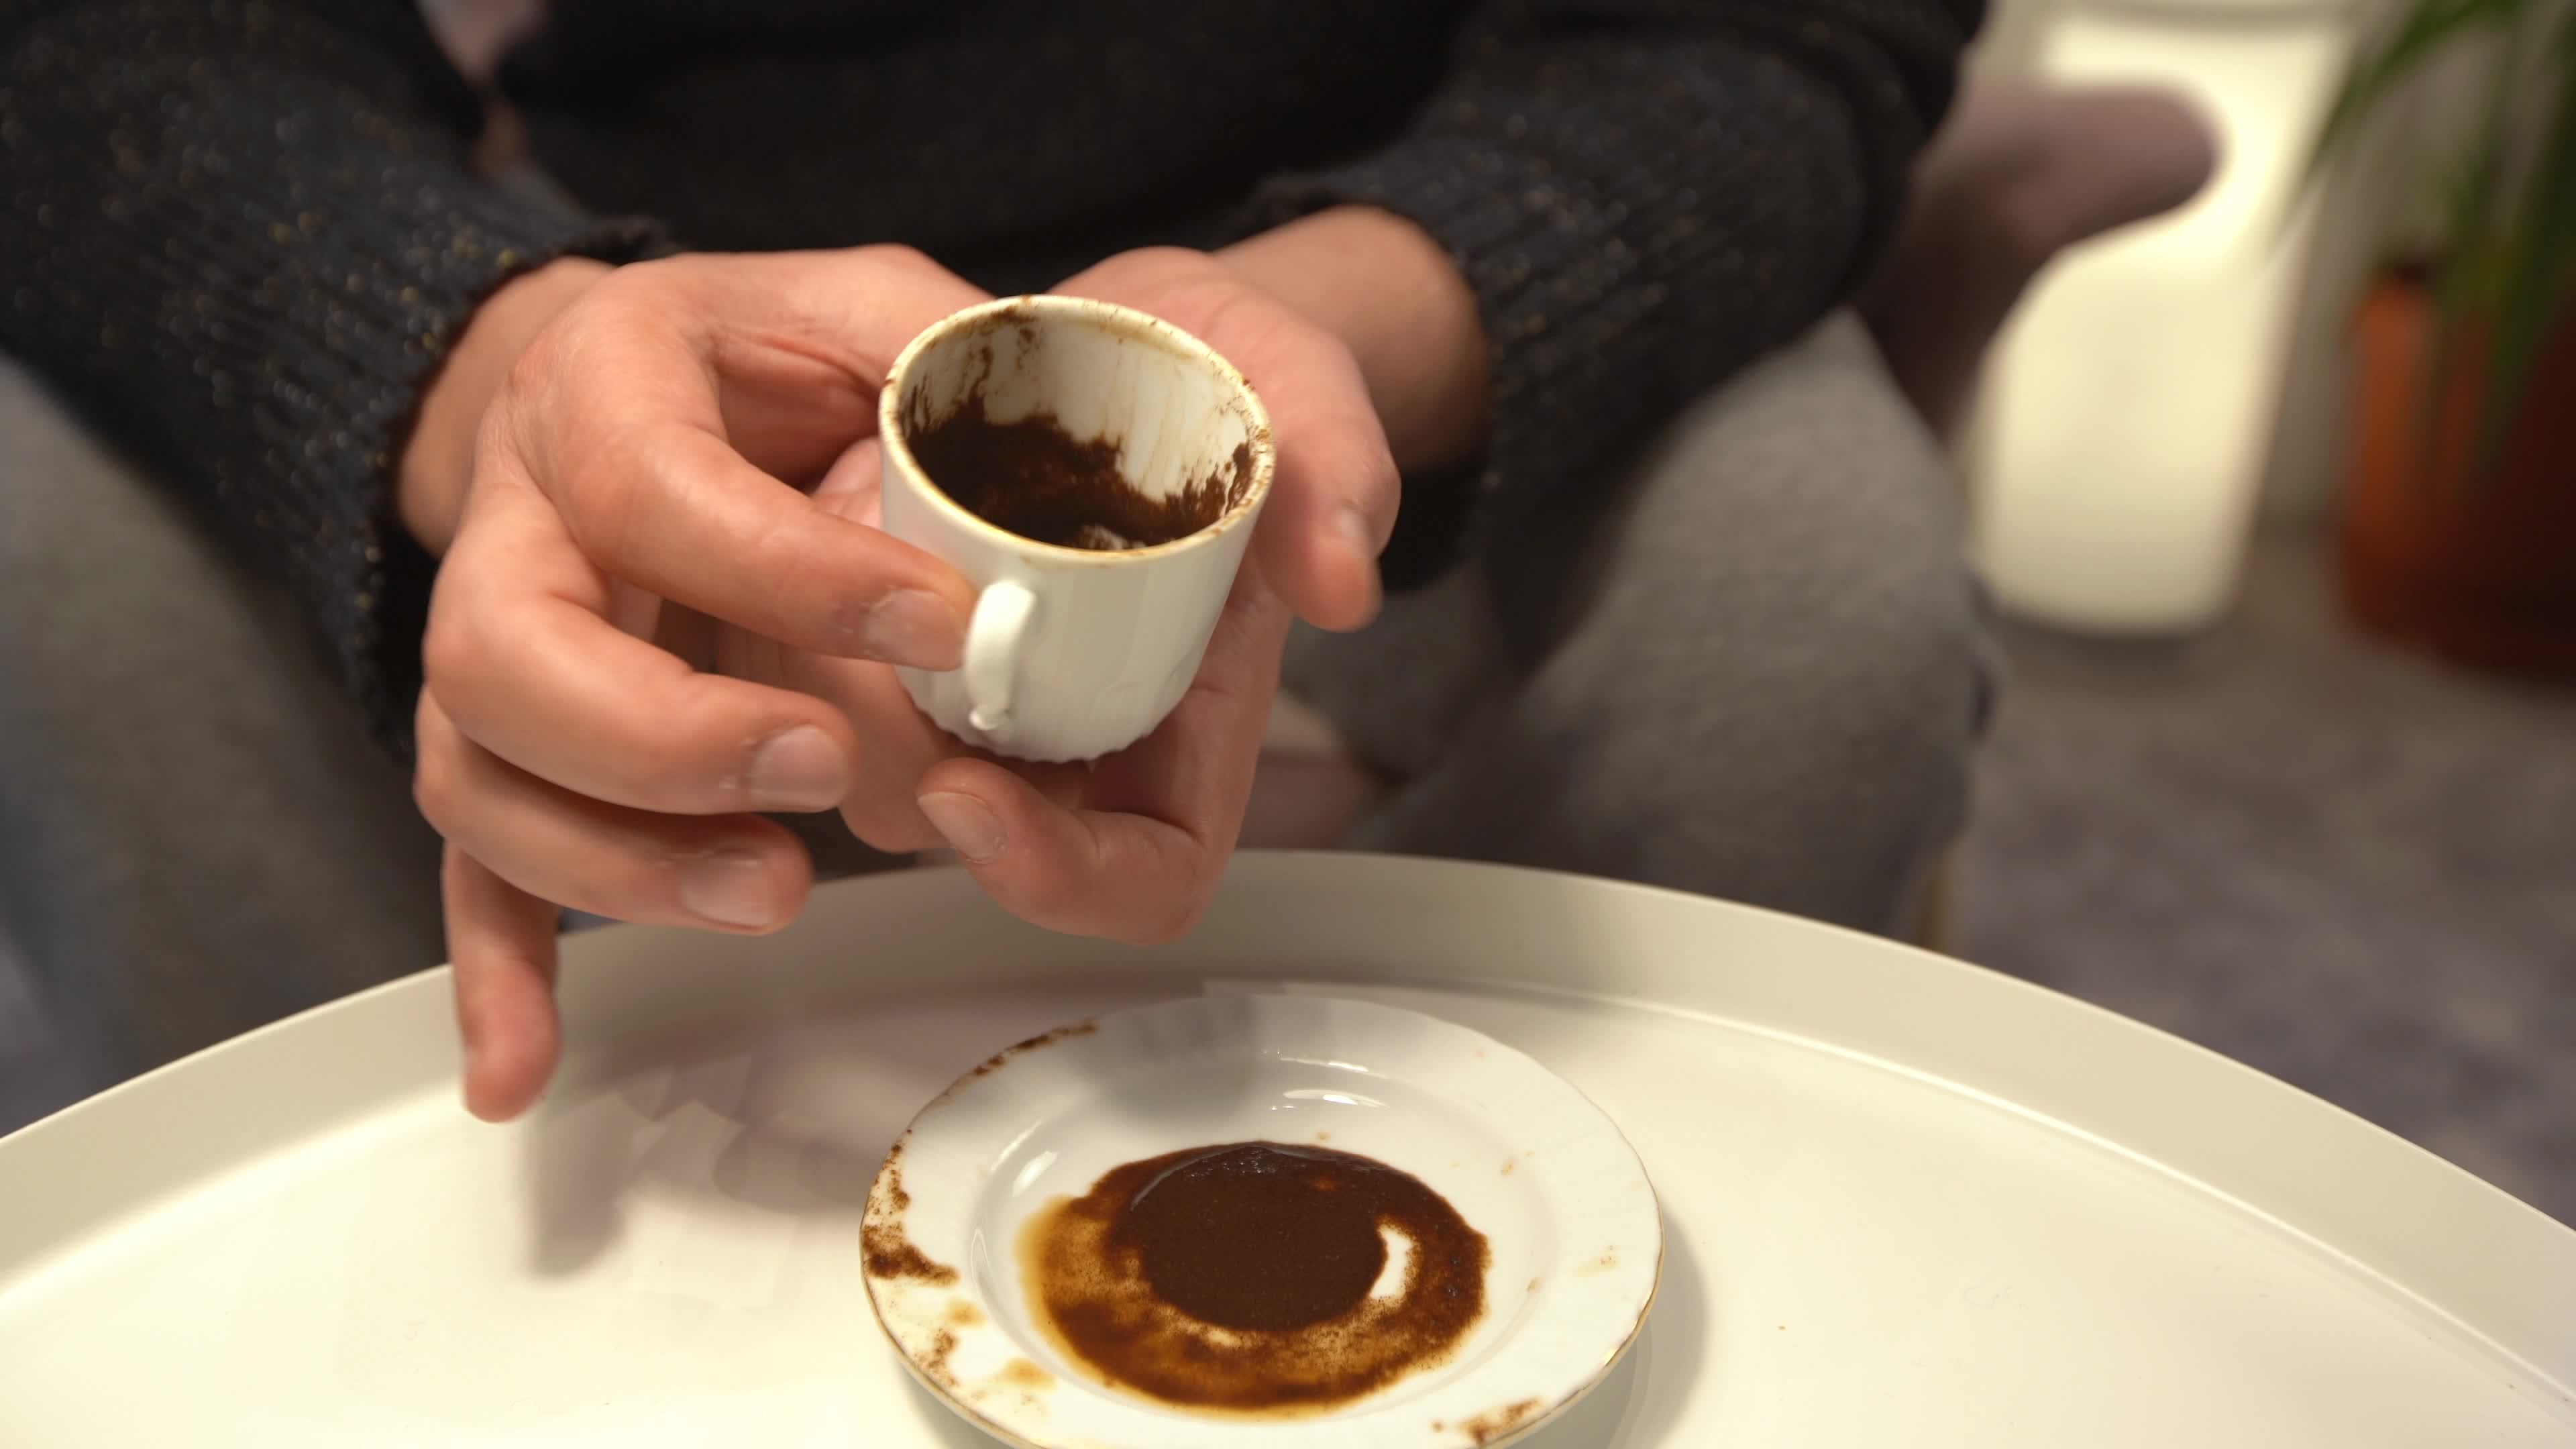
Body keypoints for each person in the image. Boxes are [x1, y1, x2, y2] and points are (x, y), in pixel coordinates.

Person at [0, 0, 1992, 1122]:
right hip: (656, 247)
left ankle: (1541, 1256)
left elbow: (1790, 35)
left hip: (1417, 243)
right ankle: (432, 1261)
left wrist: (1336, 318)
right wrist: (483, 360)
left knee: (1808, 588)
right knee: (48, 534)